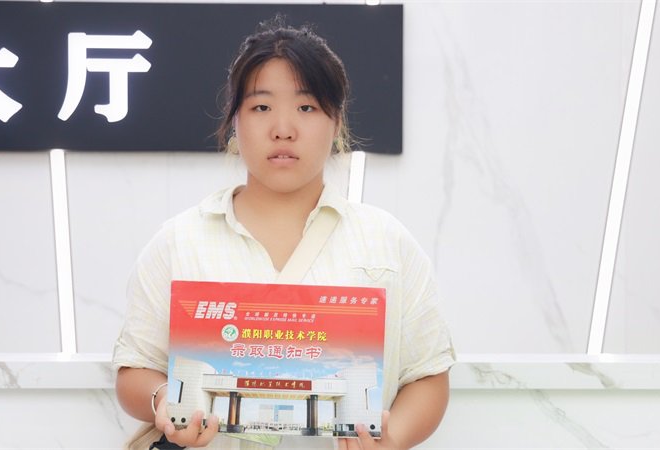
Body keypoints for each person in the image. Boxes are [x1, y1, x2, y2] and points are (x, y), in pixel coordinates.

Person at [113, 16, 455, 450]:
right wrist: (165, 399)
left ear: (336, 121)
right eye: (261, 107)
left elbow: (427, 375)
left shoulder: (386, 242)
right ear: (234, 120)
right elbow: (134, 370)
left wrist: (393, 437)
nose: (283, 128)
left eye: (306, 107)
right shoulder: (178, 242)